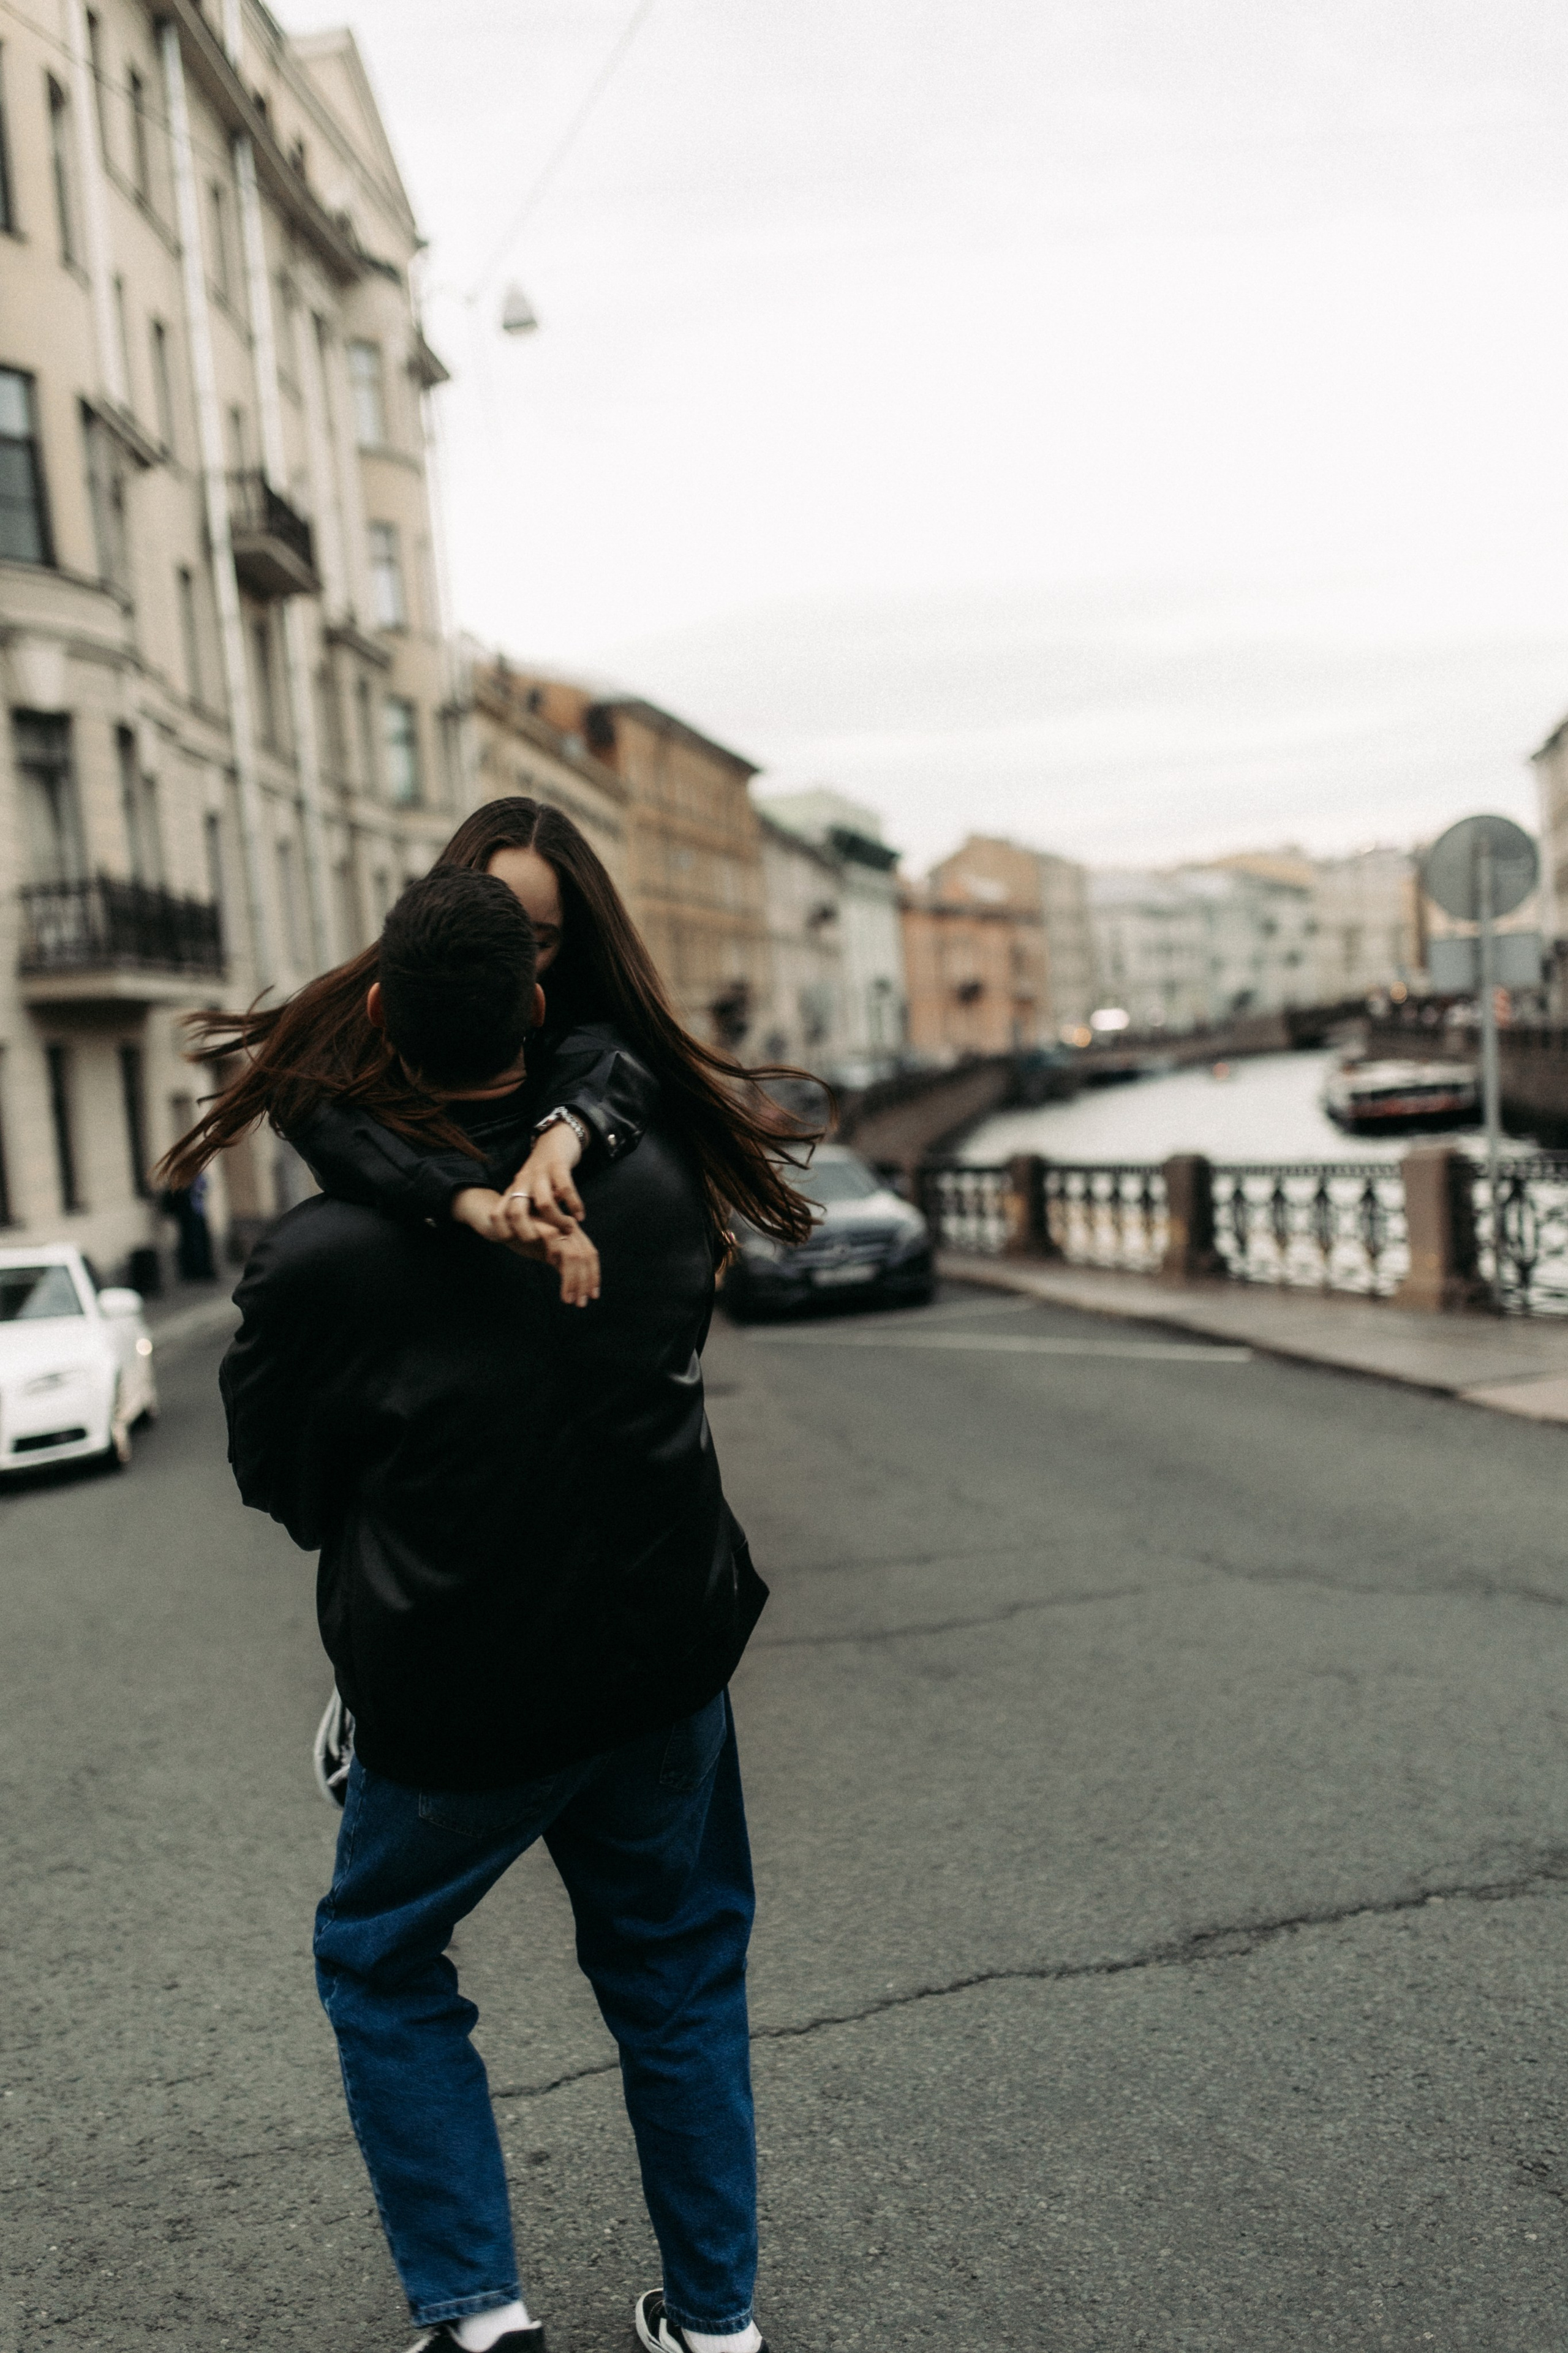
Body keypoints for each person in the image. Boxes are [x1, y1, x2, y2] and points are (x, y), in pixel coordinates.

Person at [212, 867, 783, 2353]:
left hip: (458, 1693)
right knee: (675, 1973)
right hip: (662, 1660)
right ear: (536, 1000)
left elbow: (276, 1473)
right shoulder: (652, 1179)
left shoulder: (320, 1256)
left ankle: (479, 2317)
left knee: (383, 1960)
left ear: (379, 1010)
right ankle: (716, 2322)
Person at [161, 796, 818, 1276]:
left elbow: (616, 1058)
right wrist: (464, 1198)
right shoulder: (341, 1024)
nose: (502, 956)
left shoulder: (598, 1039)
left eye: (535, 941)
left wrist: (566, 1134)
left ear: (569, 950)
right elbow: (320, 1108)